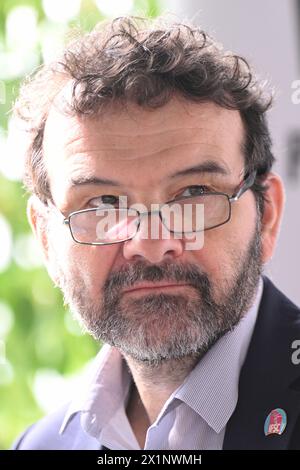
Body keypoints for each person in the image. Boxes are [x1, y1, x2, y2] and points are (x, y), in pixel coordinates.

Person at [12, 15, 300, 450]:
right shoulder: (39, 446)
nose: (150, 243)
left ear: (268, 216)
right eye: (104, 203)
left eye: (193, 193)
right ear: (48, 240)